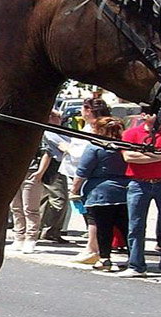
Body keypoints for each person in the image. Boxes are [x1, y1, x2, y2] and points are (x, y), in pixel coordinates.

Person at [119, 108, 161, 278]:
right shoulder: (131, 134)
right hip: (139, 183)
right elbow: (129, 157)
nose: (159, 117)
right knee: (136, 225)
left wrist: (147, 154)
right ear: (144, 116)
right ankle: (136, 264)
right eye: (154, 114)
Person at [71, 117, 130, 272]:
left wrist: (74, 190)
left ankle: (105, 259)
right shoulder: (126, 146)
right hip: (125, 190)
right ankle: (134, 257)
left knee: (104, 228)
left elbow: (83, 171)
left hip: (100, 191)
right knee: (127, 227)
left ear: (100, 130)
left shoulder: (94, 147)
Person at [67, 98, 112, 264]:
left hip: (91, 176)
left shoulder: (98, 128)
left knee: (92, 214)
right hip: (82, 173)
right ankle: (93, 247)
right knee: (88, 214)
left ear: (89, 110)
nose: (81, 112)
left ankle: (93, 248)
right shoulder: (90, 126)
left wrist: (67, 149)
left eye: (83, 109)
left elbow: (85, 153)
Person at [10, 113, 54, 254]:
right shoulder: (14, 135)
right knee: (15, 207)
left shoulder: (38, 133)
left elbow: (47, 152)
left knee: (30, 208)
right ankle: (19, 237)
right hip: (16, 172)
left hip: (32, 172)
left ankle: (31, 239)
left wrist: (40, 172)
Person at [39, 110, 73, 244]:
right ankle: (51, 231)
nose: (60, 119)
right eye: (56, 117)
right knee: (59, 199)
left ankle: (45, 230)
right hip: (53, 167)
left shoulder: (57, 130)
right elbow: (63, 147)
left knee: (48, 199)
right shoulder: (49, 132)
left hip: (58, 166)